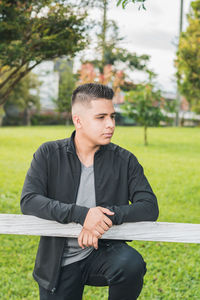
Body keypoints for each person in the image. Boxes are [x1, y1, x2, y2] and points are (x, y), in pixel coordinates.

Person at [20, 83, 159, 300]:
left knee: (131, 264)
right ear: (78, 120)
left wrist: (104, 216)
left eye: (112, 117)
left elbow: (149, 207)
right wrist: (83, 215)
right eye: (101, 117)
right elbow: (29, 201)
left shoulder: (125, 160)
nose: (111, 124)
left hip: (102, 252)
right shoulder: (48, 154)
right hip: (59, 262)